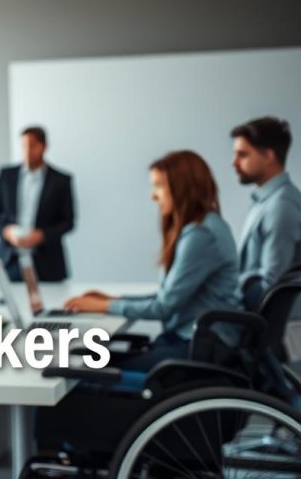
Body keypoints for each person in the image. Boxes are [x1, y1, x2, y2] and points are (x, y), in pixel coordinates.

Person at [65, 150, 241, 371]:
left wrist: (104, 306)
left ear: (182, 187)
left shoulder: (201, 235)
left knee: (84, 370)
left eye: (159, 186)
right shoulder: (205, 226)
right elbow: (168, 295)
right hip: (192, 339)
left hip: (201, 346)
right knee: (88, 360)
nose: (153, 196)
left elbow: (163, 307)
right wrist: (113, 299)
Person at [0, 126, 75, 282]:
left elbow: (68, 221)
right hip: (10, 260)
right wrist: (7, 231)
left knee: (51, 304)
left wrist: (42, 235)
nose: (27, 151)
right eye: (24, 146)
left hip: (47, 263)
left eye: (32, 146)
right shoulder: (6, 176)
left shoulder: (61, 180)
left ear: (44, 147)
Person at [230, 117, 301, 309]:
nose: (234, 163)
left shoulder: (281, 206)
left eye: (242, 155)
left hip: (271, 326)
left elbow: (272, 287)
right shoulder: (264, 202)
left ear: (269, 156)